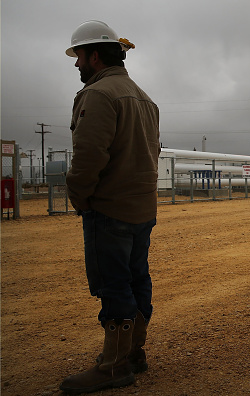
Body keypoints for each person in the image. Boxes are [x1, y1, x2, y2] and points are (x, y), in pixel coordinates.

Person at [60, 20, 160, 394]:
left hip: (110, 209)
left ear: (96, 56)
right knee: (137, 278)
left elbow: (88, 158)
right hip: (142, 210)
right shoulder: (144, 98)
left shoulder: (99, 95)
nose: (77, 65)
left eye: (79, 56)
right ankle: (134, 354)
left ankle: (114, 365)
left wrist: (80, 198)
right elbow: (152, 152)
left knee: (113, 283)